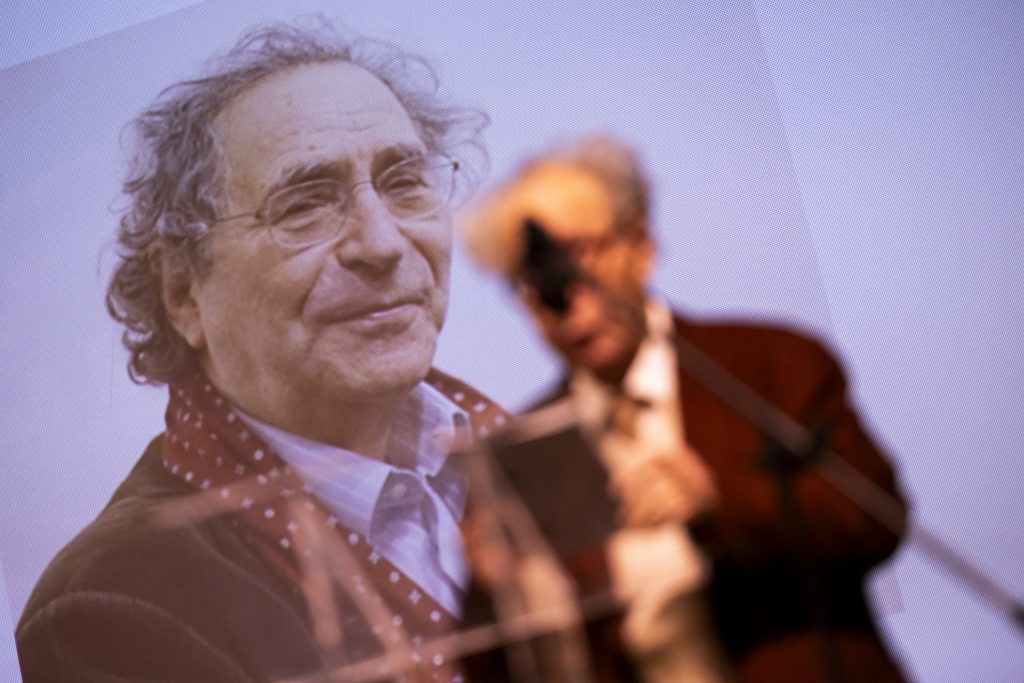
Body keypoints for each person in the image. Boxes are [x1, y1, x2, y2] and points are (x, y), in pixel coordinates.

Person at [16, 22, 506, 683]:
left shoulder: (539, 446)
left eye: (404, 182)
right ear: (183, 291)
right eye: (304, 205)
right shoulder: (113, 608)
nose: (383, 243)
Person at [461, 136, 909, 682]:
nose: (563, 297)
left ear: (641, 246)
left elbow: (875, 519)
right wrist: (497, 591)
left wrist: (719, 501)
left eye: (575, 256)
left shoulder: (768, 366)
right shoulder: (521, 457)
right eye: (529, 277)